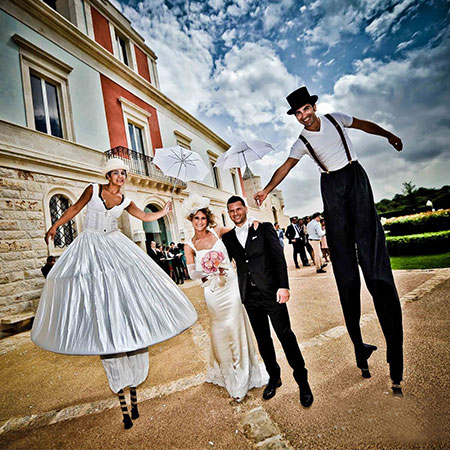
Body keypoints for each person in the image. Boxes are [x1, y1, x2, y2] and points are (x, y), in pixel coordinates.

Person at [254, 86, 404, 395]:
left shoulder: (336, 119)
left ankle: (395, 358)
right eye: (297, 113)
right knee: (346, 274)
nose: (303, 116)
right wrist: (267, 190)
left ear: (313, 106)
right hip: (332, 189)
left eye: (305, 109)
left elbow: (364, 124)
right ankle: (360, 348)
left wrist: (388, 134)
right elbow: (285, 166)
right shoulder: (302, 142)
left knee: (376, 270)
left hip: (355, 178)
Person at [31, 158, 198, 428]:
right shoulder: (93, 189)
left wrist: (163, 211)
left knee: (129, 281)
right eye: (117, 172)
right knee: (84, 283)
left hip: (114, 242)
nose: (121, 176)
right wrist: (55, 226)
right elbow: (74, 208)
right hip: (91, 242)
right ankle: (95, 321)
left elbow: (144, 216)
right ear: (108, 174)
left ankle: (127, 321)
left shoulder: (125, 199)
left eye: (123, 172)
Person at [222, 196, 313, 407]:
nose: (235, 213)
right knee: (263, 340)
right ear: (229, 213)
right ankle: (274, 376)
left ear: (245, 209)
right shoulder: (228, 238)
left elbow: (278, 257)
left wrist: (284, 286)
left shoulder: (263, 228)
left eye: (238, 209)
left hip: (272, 292)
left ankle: (303, 381)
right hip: (249, 297)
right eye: (231, 211)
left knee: (285, 335)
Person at [183, 194, 267, 401]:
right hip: (212, 290)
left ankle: (245, 370)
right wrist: (208, 271)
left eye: (203, 218)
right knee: (220, 329)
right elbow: (191, 273)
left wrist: (255, 220)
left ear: (207, 219)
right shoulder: (189, 244)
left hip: (231, 286)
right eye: (196, 219)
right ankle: (228, 371)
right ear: (191, 221)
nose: (200, 222)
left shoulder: (218, 231)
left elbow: (241, 230)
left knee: (236, 326)